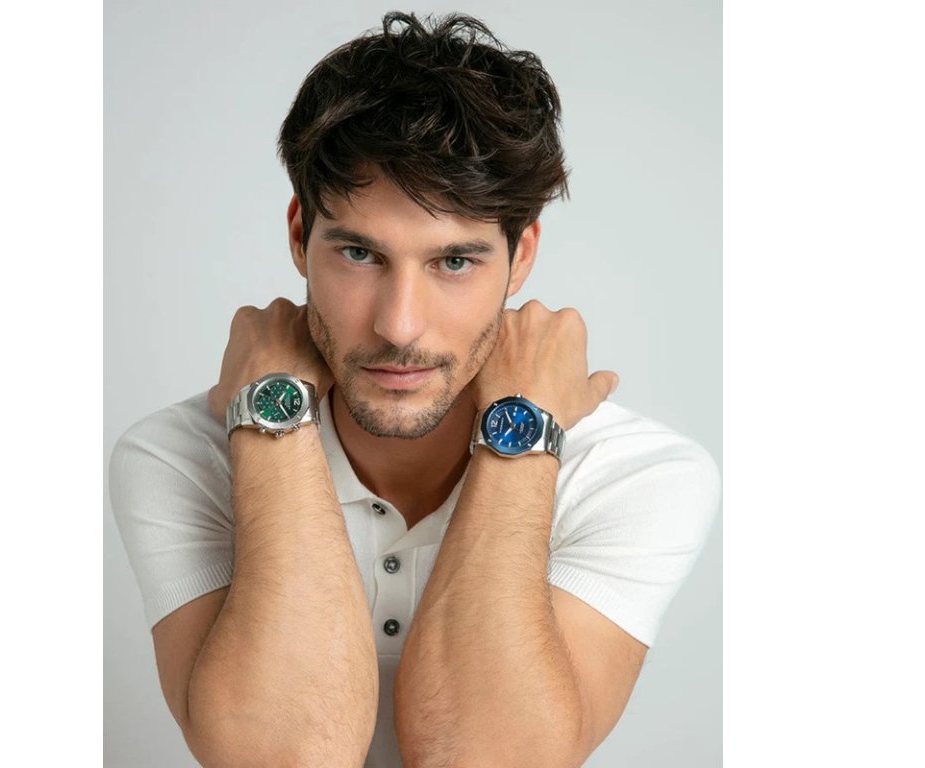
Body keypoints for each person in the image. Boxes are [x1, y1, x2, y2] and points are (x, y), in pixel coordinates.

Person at [109, 11, 721, 768]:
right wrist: (273, 425)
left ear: (521, 255)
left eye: (454, 262)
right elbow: (280, 758)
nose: (399, 325)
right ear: (299, 235)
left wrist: (521, 432)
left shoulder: (639, 475)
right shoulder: (177, 456)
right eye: (359, 254)